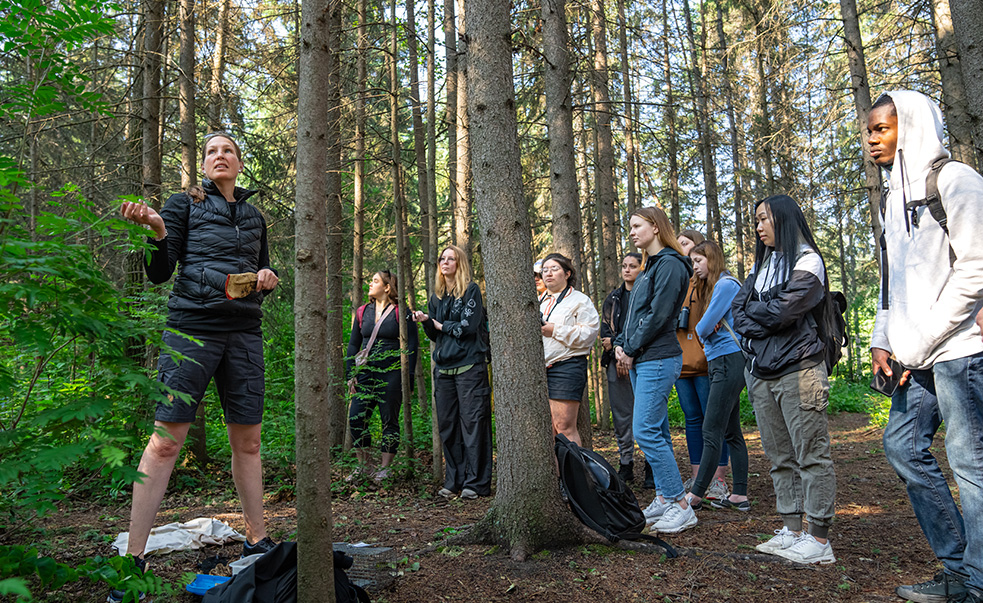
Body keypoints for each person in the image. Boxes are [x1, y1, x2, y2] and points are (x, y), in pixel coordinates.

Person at [114, 132, 278, 601]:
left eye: (227, 150)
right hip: (191, 330)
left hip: (244, 332)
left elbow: (259, 272)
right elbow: (160, 271)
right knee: (167, 441)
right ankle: (134, 558)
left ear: (240, 164)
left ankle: (257, 539)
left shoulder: (254, 216)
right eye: (211, 151)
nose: (219, 156)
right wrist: (157, 231)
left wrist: (266, 278)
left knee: (248, 440)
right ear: (203, 164)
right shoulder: (183, 205)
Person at [867, 91, 983, 603]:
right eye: (868, 130)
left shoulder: (955, 181)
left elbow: (976, 269)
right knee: (903, 447)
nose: (872, 139)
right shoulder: (893, 196)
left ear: (909, 126)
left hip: (960, 351)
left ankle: (974, 582)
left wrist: (922, 338)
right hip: (916, 356)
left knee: (969, 463)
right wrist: (883, 339)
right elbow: (894, 281)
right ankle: (961, 569)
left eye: (882, 129)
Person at [731, 194, 836, 565]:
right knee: (779, 457)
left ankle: (819, 540)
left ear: (785, 220)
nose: (758, 228)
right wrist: (765, 314)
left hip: (800, 370)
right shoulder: (763, 267)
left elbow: (784, 312)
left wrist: (762, 313)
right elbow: (738, 313)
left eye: (764, 220)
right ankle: (792, 530)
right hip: (761, 373)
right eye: (755, 221)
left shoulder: (808, 261)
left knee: (811, 454)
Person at [613, 206, 696, 534]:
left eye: (637, 225)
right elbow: (634, 314)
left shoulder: (672, 264)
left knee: (645, 430)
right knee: (657, 431)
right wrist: (621, 342)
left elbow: (660, 315)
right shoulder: (649, 267)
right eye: (629, 226)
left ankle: (680, 503)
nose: (632, 232)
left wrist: (629, 348)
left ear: (656, 228)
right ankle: (663, 498)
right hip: (642, 358)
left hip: (658, 358)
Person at [412, 245, 493, 500]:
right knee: (448, 427)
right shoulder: (436, 296)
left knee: (474, 425)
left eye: (451, 259)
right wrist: (426, 322)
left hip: (470, 367)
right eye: (442, 259)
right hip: (444, 369)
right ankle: (454, 480)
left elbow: (468, 328)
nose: (445, 262)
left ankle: (476, 483)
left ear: (460, 264)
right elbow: (435, 335)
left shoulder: (471, 291)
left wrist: (439, 323)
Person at [680, 240, 749, 512]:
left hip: (727, 360)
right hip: (723, 360)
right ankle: (739, 495)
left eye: (698, 261)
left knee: (711, 429)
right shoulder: (719, 287)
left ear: (711, 258)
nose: (694, 266)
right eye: (693, 262)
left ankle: (695, 495)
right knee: (732, 431)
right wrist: (709, 323)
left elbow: (702, 327)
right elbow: (708, 324)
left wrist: (708, 324)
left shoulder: (725, 285)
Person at [346, 270, 419, 483]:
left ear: (387, 287)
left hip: (392, 373)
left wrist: (409, 377)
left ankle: (385, 468)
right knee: (356, 417)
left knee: (389, 420)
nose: (370, 284)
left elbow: (412, 344)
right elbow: (353, 344)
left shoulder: (401, 312)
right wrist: (351, 374)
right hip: (365, 374)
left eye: (375, 281)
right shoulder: (363, 311)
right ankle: (365, 466)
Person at [674, 229, 729, 499]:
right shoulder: (677, 279)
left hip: (707, 360)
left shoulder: (712, 282)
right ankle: (697, 477)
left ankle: (718, 478)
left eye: (685, 243)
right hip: (681, 361)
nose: (680, 248)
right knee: (692, 419)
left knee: (713, 420)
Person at [540, 253, 600, 447]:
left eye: (554, 269)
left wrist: (555, 330)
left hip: (567, 367)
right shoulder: (538, 301)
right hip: (541, 371)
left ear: (567, 273)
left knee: (564, 427)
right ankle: (557, 477)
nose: (548, 273)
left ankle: (575, 477)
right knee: (548, 429)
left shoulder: (580, 301)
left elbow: (588, 335)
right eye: (545, 270)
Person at [601, 253, 643, 482]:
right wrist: (618, 357)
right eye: (624, 266)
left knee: (646, 415)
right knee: (621, 416)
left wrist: (629, 354)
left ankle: (651, 466)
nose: (627, 270)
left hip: (642, 361)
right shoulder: (614, 298)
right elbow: (605, 334)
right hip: (615, 363)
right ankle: (626, 462)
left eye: (633, 266)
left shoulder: (647, 295)